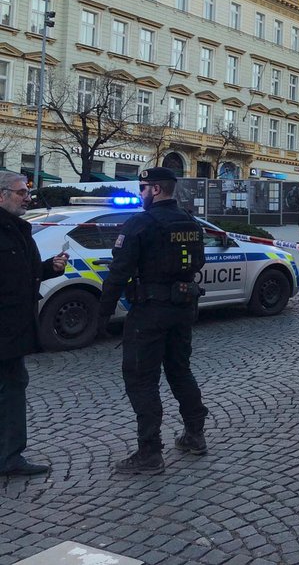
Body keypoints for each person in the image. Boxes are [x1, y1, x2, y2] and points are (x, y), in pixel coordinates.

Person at [99, 167, 208, 475]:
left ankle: (149, 452)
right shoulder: (190, 222)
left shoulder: (141, 223)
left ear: (156, 190)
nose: (141, 192)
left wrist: (103, 314)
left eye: (143, 186)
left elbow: (119, 272)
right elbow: (198, 261)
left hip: (149, 311)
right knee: (180, 371)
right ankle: (195, 434)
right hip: (183, 307)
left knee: (141, 379)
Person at [0, 171, 67, 477]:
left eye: (27, 192)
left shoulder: (18, 229)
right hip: (5, 329)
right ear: (2, 195)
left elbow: (20, 275)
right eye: (21, 192)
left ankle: (10, 453)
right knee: (10, 390)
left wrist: (47, 268)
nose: (27, 197)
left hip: (15, 329)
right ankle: (9, 458)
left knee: (14, 388)